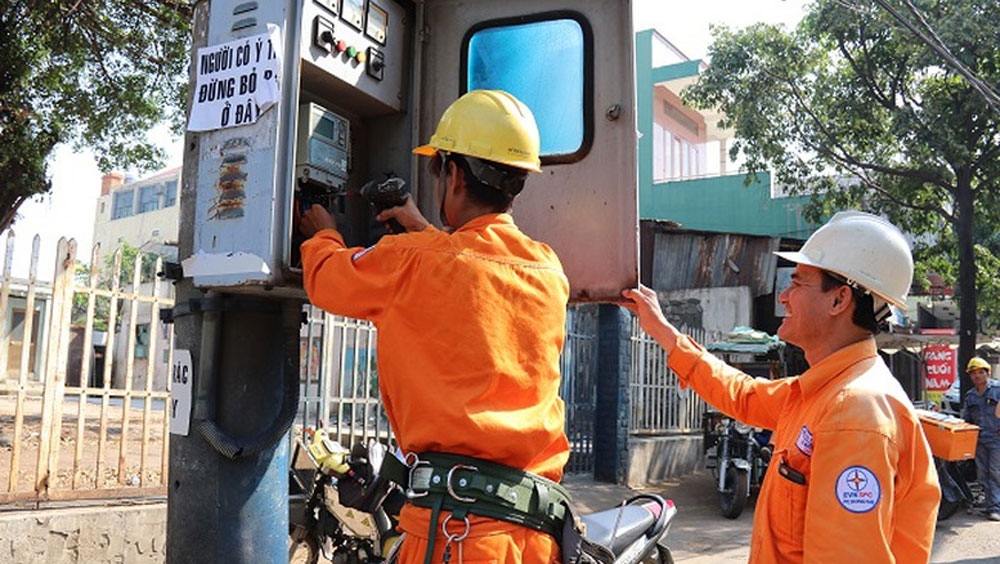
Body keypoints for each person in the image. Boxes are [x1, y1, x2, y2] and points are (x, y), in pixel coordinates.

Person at [299, 90, 570, 564]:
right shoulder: (548, 270)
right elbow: (473, 271)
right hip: (534, 535)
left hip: (457, 535)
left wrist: (322, 229)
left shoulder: (409, 262)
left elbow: (326, 280)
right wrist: (424, 230)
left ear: (456, 174)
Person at [623, 211, 940, 563]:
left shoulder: (854, 412)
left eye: (798, 282)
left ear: (839, 300)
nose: (784, 297)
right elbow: (742, 394)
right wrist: (664, 332)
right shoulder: (823, 392)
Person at [961, 356, 1000, 521]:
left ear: (987, 373)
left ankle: (996, 507)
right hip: (979, 440)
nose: (977, 376)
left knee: (995, 472)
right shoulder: (970, 396)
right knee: (982, 474)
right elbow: (967, 420)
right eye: (973, 373)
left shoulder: (997, 390)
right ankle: (991, 504)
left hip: (996, 439)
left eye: (980, 372)